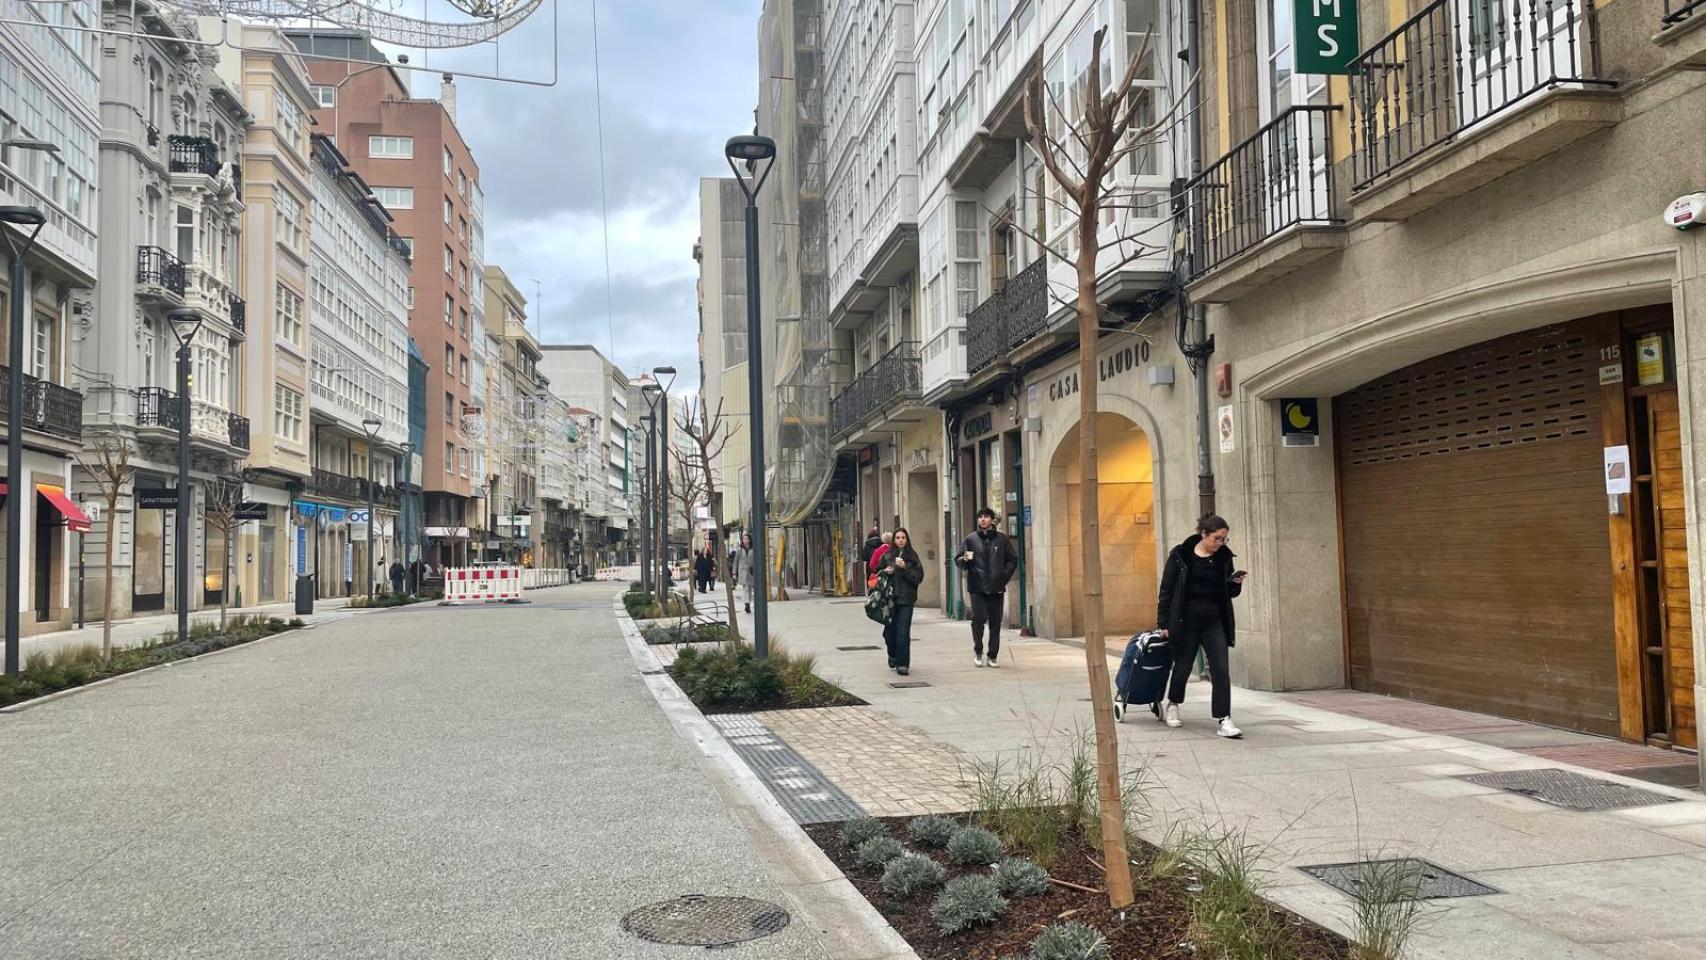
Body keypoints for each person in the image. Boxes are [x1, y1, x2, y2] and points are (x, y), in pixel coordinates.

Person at [1156, 514, 1248, 739]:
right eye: (1217, 538)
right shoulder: (1180, 556)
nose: (1221, 543)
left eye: (1224, 539)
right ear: (1204, 534)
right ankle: (1173, 703)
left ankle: (1223, 719)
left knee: (1220, 669)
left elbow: (1228, 593)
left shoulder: (1224, 558)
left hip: (1214, 621)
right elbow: (1166, 590)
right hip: (1186, 621)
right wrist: (1163, 623)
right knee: (1183, 667)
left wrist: (1235, 585)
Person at [956, 508, 1018, 668]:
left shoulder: (1002, 540)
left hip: (996, 586)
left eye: (986, 517)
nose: (983, 520)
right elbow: (959, 560)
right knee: (978, 619)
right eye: (980, 517)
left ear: (992, 520)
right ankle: (978, 650)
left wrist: (1003, 576)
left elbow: (1012, 560)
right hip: (977, 586)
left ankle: (992, 655)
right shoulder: (971, 539)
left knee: (995, 622)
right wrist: (964, 559)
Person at [879, 527, 925, 676]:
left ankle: (903, 663)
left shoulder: (912, 557)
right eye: (898, 538)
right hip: (890, 600)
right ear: (894, 540)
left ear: (907, 540)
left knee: (903, 633)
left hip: (906, 599)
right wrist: (885, 572)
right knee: (889, 632)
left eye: (903, 538)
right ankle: (892, 655)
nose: (900, 540)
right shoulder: (887, 556)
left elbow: (918, 577)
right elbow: (877, 574)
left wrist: (904, 567)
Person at [734, 532, 756, 613]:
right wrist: (734, 573)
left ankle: (748, 603)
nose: (744, 540)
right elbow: (735, 562)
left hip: (751, 572)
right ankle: (747, 604)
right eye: (743, 539)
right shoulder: (739, 549)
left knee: (749, 588)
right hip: (743, 572)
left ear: (749, 540)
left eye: (746, 539)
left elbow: (755, 560)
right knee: (746, 588)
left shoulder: (753, 549)